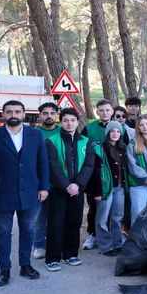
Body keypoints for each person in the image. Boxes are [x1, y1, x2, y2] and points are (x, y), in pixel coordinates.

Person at [0, 101, 50, 286]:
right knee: (3, 232)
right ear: (3, 114)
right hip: (2, 194)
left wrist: (44, 187)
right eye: (9, 112)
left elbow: (43, 163)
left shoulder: (36, 135)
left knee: (28, 230)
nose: (13, 115)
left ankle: (25, 265)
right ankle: (5, 269)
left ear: (24, 114)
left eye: (17, 111)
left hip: (31, 194)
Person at [44, 108, 96, 272]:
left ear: (77, 121)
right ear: (61, 121)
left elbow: (89, 165)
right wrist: (66, 185)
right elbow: (53, 167)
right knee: (56, 223)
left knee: (74, 221)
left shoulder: (85, 141)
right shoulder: (52, 141)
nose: (69, 123)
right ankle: (52, 258)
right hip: (58, 189)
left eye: (72, 120)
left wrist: (77, 185)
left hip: (77, 189)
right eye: (65, 120)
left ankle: (70, 254)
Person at [80, 99, 121, 251]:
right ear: (97, 111)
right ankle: (93, 234)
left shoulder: (118, 128)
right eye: (101, 110)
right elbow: (81, 149)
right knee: (94, 207)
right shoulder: (89, 128)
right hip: (94, 175)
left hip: (115, 176)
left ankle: (112, 236)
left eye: (107, 110)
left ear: (112, 111)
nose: (104, 113)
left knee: (114, 211)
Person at [32, 102, 59, 260]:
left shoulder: (62, 131)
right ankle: (38, 245)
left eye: (52, 113)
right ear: (40, 115)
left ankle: (55, 244)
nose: (49, 116)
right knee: (39, 216)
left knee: (56, 216)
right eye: (45, 113)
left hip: (59, 183)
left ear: (56, 115)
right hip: (39, 182)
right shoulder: (33, 133)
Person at [97, 121, 127, 256]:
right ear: (108, 133)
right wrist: (96, 190)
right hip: (106, 187)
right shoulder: (100, 148)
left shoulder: (123, 148)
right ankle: (105, 246)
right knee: (102, 218)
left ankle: (117, 243)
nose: (115, 134)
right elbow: (96, 171)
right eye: (112, 131)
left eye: (117, 131)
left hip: (120, 187)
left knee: (117, 217)